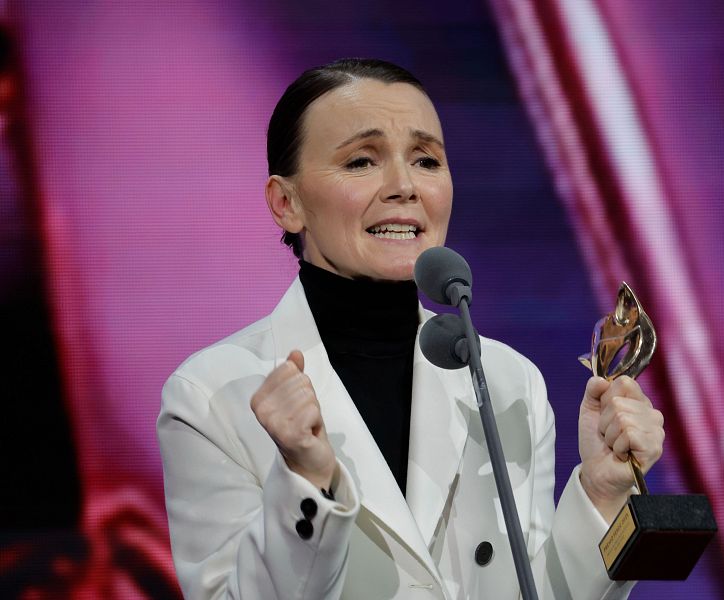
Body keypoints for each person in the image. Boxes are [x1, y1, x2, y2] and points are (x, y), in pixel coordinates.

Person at [157, 58, 665, 599]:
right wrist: (305, 483)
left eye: (426, 160)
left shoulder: (507, 381)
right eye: (360, 161)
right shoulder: (212, 395)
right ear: (287, 203)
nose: (404, 186)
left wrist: (600, 492)